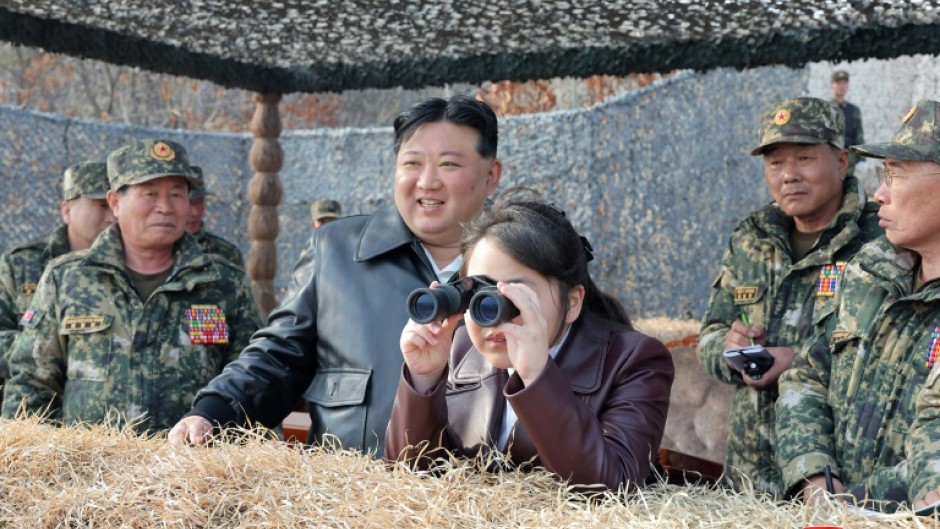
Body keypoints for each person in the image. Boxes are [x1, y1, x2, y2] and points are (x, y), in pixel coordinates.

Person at [168, 95, 503, 453]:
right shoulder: (337, 251)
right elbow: (276, 356)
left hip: (478, 499)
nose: (427, 181)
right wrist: (213, 412)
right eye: (412, 163)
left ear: (491, 175)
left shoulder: (525, 263)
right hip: (354, 501)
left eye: (449, 164)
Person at [384, 190, 674, 491]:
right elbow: (407, 485)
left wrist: (538, 376)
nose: (494, 318)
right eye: (480, 297)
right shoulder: (463, 348)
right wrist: (424, 378)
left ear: (572, 302)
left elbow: (612, 490)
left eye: (514, 297)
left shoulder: (635, 360)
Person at [1, 139, 262, 431]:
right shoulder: (68, 278)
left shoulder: (224, 283)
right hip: (90, 471)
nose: (164, 207)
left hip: (190, 471)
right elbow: (31, 383)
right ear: (115, 202)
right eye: (150, 194)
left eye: (177, 195)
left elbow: (252, 383)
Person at [697, 97, 882, 496]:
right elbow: (710, 333)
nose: (788, 176)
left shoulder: (877, 242)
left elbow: (888, 358)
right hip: (749, 484)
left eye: (804, 159)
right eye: (775, 163)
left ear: (841, 161)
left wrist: (798, 362)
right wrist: (731, 352)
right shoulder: (753, 238)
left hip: (836, 483)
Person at [776, 100, 940, 510]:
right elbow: (807, 375)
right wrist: (815, 477)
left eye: (895, 174)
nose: (880, 194)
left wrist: (851, 505)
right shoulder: (869, 273)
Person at [0, 161, 114, 399]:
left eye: (117, 205)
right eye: (102, 205)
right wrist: (61, 352)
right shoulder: (21, 266)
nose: (112, 216)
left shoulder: (138, 269)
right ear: (67, 211)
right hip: (29, 401)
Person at [186, 165, 244, 268]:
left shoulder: (226, 253)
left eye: (199, 202)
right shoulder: (156, 252)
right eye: (188, 203)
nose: (195, 212)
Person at [830, 70, 864, 177]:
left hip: (849, 158)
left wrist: (862, 158)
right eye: (838, 83)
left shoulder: (854, 110)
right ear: (832, 85)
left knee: (847, 187)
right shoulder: (826, 108)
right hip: (830, 155)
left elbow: (858, 135)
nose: (841, 86)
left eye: (844, 83)